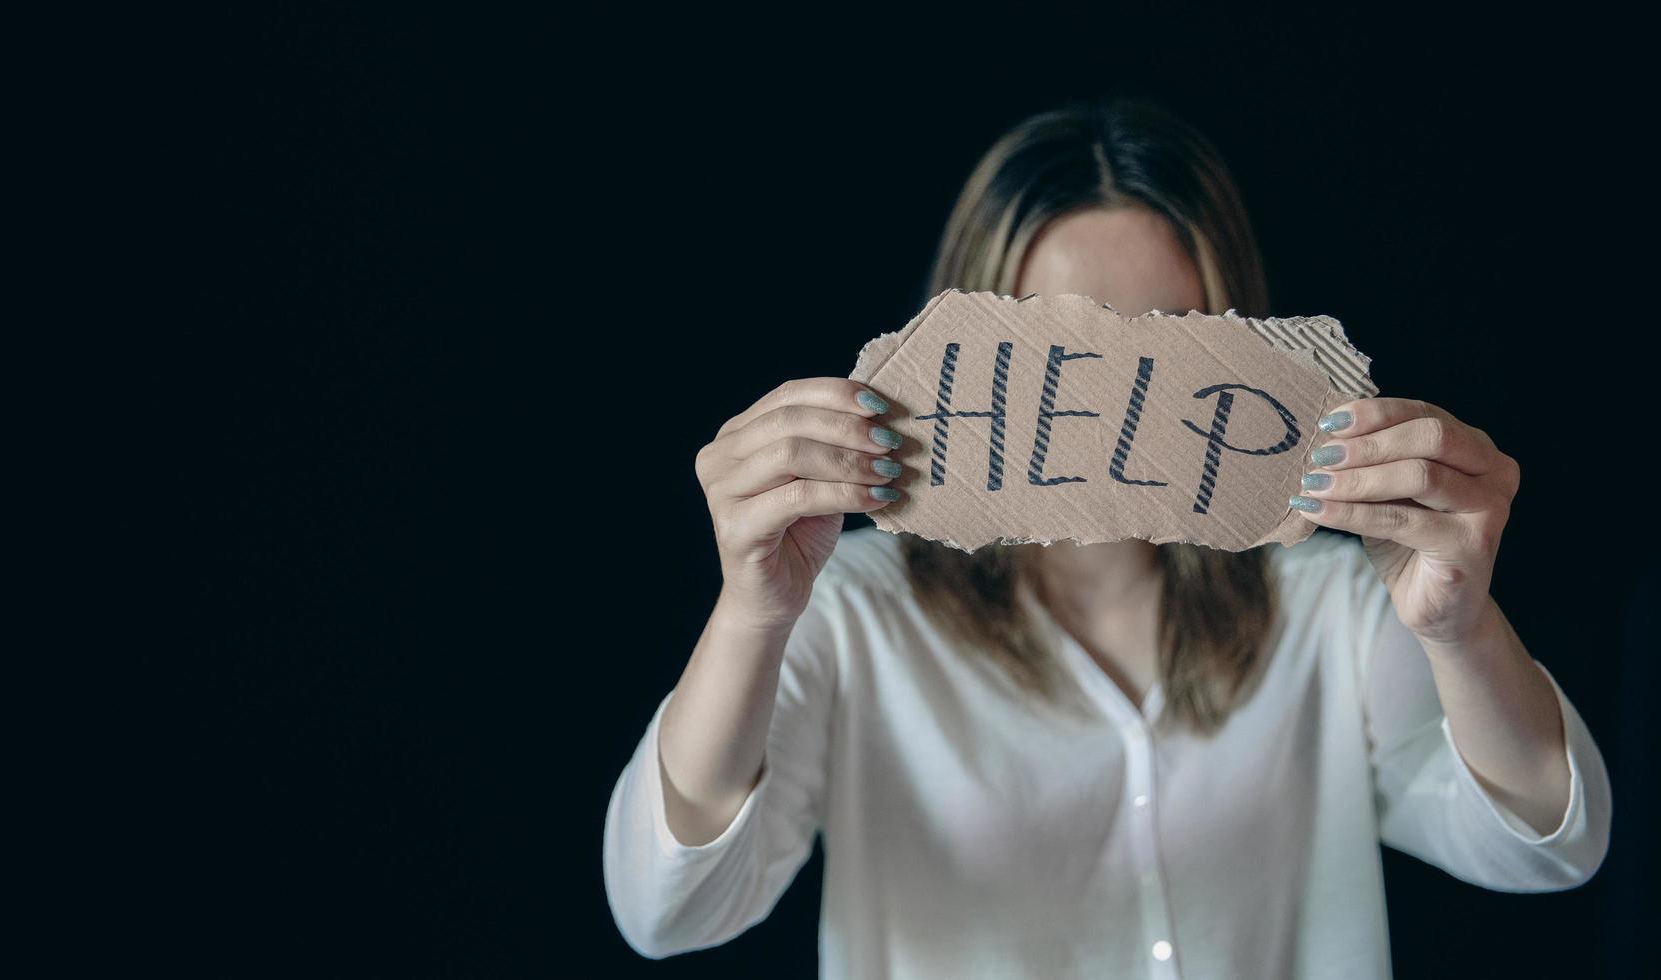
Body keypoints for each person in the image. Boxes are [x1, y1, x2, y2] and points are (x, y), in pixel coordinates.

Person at [601, 98, 1611, 979]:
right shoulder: (854, 613)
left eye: (1166, 339)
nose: (1117, 404)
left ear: (1238, 343)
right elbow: (668, 904)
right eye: (1061, 343)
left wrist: (1457, 626)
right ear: (963, 349)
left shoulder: (1330, 605)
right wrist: (749, 612)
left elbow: (1547, 842)